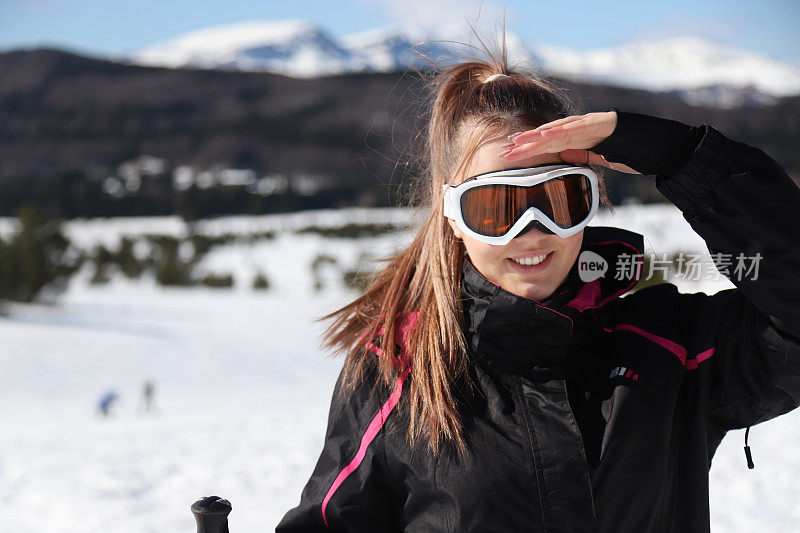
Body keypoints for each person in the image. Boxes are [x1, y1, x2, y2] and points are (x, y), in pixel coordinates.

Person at [275, 46, 800, 532]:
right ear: (452, 215)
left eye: (559, 198)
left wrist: (685, 159)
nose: (531, 232)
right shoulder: (399, 366)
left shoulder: (668, 345)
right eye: (494, 208)